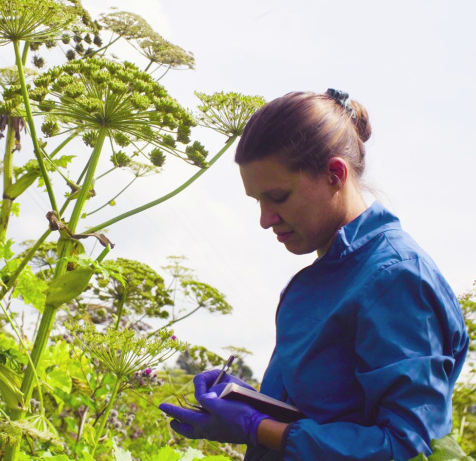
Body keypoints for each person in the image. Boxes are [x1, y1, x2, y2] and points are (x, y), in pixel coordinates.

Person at [160, 89, 468, 460]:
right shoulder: (332, 272)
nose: (264, 219)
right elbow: (326, 411)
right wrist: (251, 402)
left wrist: (257, 427)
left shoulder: (396, 278)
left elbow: (407, 445)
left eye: (278, 197)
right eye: (257, 200)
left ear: (335, 175)